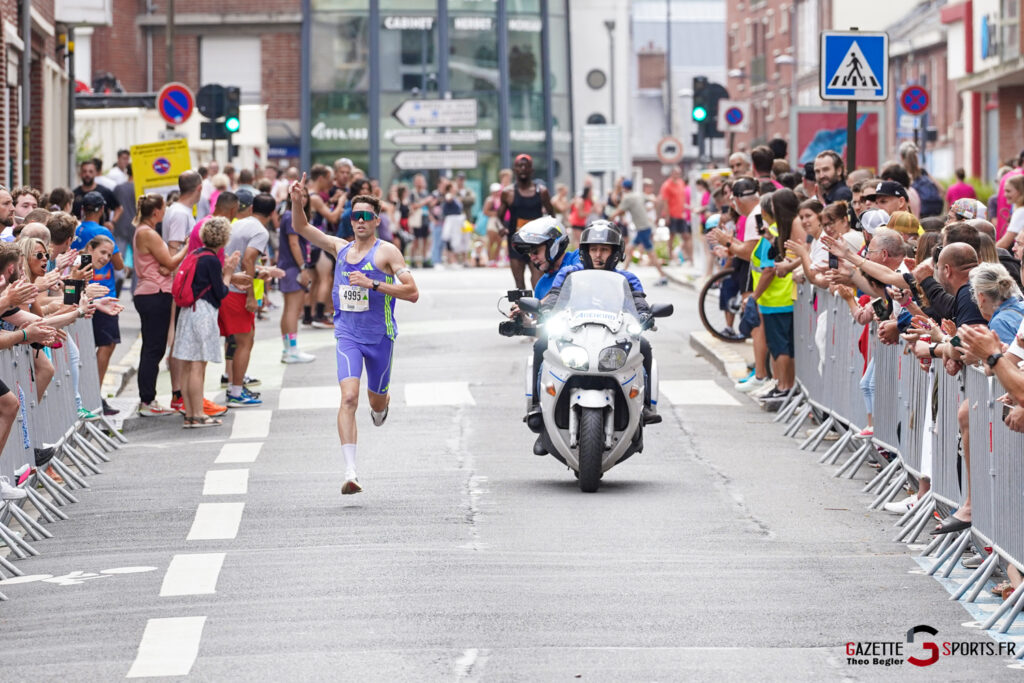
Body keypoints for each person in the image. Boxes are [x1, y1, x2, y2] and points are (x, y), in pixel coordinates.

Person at [289, 176, 419, 495]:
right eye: (355, 215)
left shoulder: (387, 252)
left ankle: (381, 405)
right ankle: (350, 471)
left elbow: (412, 292)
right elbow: (303, 228)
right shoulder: (340, 248)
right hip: (347, 334)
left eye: (366, 216)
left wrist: (373, 284)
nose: (360, 221)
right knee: (348, 397)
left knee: (375, 401)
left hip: (380, 338)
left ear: (376, 220)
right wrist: (296, 202)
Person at [538, 221, 659, 432]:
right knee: (541, 344)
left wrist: (645, 314)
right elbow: (555, 298)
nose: (598, 255)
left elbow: (638, 303)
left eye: (604, 249)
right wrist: (546, 311)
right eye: (593, 249)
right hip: (575, 333)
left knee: (645, 346)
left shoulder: (627, 278)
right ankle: (538, 409)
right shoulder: (568, 273)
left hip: (613, 335)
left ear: (615, 252)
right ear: (585, 251)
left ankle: (646, 405)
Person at [172, 218, 243, 428]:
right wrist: (228, 273)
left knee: (186, 365)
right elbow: (221, 292)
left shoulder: (194, 254)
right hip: (202, 313)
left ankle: (190, 415)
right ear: (224, 239)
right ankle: (199, 414)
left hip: (187, 312)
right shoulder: (211, 260)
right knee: (197, 366)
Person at [132, 194, 187, 416]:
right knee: (153, 349)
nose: (165, 213)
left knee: (152, 348)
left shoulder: (144, 231)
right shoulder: (148, 233)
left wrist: (167, 264)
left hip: (152, 292)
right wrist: (188, 245)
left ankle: (148, 398)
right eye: (163, 209)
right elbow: (171, 262)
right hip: (155, 293)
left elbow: (166, 263)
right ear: (155, 212)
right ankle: (147, 400)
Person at [220, 193, 273, 407]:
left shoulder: (239, 224)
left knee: (238, 340)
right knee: (245, 341)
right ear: (272, 214)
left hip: (228, 285)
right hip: (237, 291)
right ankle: (235, 392)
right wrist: (251, 295)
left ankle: (236, 386)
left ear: (251, 208)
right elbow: (249, 258)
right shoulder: (260, 231)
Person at [163, 170, 203, 415]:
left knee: (179, 337)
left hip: (183, 282)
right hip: (180, 284)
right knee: (177, 338)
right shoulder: (179, 213)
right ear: (198, 188)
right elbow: (174, 250)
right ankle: (178, 392)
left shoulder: (182, 211)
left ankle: (180, 392)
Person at [497, 154, 556, 290]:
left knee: (537, 282)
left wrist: (551, 233)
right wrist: (501, 227)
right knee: (520, 286)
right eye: (519, 166)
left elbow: (552, 215)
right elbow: (498, 217)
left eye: (526, 166)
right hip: (516, 243)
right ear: (515, 169)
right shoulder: (508, 192)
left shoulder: (541, 192)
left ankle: (538, 310)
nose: (523, 169)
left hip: (537, 243)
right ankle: (521, 311)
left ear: (531, 170)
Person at [278, 183, 316, 364]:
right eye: (301, 195)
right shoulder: (291, 217)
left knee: (289, 310)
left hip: (288, 267)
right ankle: (291, 350)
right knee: (293, 309)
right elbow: (294, 244)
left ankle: (288, 349)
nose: (304, 199)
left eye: (306, 196)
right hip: (293, 268)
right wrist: (303, 268)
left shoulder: (288, 216)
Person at [608, 179, 667, 284]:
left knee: (650, 253)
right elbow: (655, 200)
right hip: (644, 227)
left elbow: (619, 211)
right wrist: (657, 215)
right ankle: (623, 274)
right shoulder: (638, 195)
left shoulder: (627, 198)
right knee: (630, 249)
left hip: (642, 228)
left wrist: (608, 219)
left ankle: (662, 275)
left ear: (624, 188)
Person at [72, 160, 121, 229]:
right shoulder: (74, 194)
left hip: (100, 234)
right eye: (84, 171)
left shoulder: (104, 191)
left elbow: (119, 208)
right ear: (80, 173)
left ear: (96, 173)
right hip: (79, 234)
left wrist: (112, 222)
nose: (87, 174)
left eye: (90, 171)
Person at [659, 165, 692, 265]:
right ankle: (670, 258)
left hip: (681, 215)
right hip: (671, 214)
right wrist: (667, 216)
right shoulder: (667, 185)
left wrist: (686, 209)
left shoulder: (681, 183)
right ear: (672, 173)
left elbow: (681, 199)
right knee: (672, 236)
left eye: (679, 173)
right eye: (676, 173)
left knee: (686, 236)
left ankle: (691, 259)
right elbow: (665, 201)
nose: (677, 175)